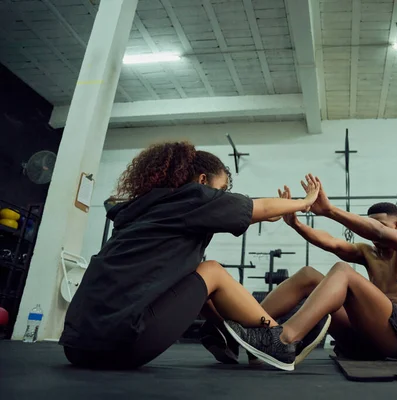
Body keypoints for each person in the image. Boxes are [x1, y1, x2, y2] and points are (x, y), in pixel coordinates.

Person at [59, 142, 327, 372]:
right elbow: (262, 206)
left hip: (76, 345)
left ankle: (226, 333)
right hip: (119, 345)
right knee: (211, 270)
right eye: (220, 190)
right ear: (202, 181)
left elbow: (261, 212)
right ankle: (277, 339)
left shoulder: (147, 208)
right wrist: (306, 201)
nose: (221, 198)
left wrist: (273, 213)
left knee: (191, 273)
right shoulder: (194, 197)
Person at [224, 175, 397, 362]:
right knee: (309, 275)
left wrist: (329, 210)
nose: (375, 232)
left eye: (383, 224)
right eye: (372, 224)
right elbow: (331, 243)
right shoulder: (368, 253)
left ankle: (284, 340)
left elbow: (379, 234)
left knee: (343, 270)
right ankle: (247, 330)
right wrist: (296, 224)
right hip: (365, 338)